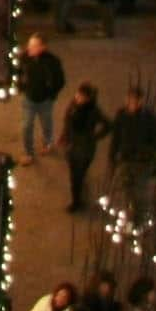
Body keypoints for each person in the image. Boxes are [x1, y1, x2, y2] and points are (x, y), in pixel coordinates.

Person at [109, 85, 156, 216]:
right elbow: (116, 136)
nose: (132, 103)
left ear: (141, 101)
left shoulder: (150, 119)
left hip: (142, 161)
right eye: (130, 100)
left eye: (135, 100)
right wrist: (112, 156)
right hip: (125, 159)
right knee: (127, 190)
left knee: (140, 192)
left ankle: (139, 218)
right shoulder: (121, 115)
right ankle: (132, 214)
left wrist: (155, 160)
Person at [16, 33, 66, 164]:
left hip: (45, 101)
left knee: (47, 124)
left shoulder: (53, 61)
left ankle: (47, 143)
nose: (29, 48)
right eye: (29, 44)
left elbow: (60, 81)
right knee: (26, 126)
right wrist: (20, 87)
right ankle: (28, 153)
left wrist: (52, 94)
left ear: (43, 47)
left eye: (33, 46)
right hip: (29, 99)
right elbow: (17, 73)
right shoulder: (24, 58)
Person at [59, 81, 108, 213]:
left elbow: (108, 124)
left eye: (81, 96)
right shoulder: (73, 106)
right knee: (75, 175)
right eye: (78, 95)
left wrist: (95, 137)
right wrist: (64, 136)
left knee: (77, 176)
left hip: (85, 149)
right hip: (73, 146)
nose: (78, 98)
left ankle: (77, 202)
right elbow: (67, 121)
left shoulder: (93, 111)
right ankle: (78, 197)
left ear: (87, 98)